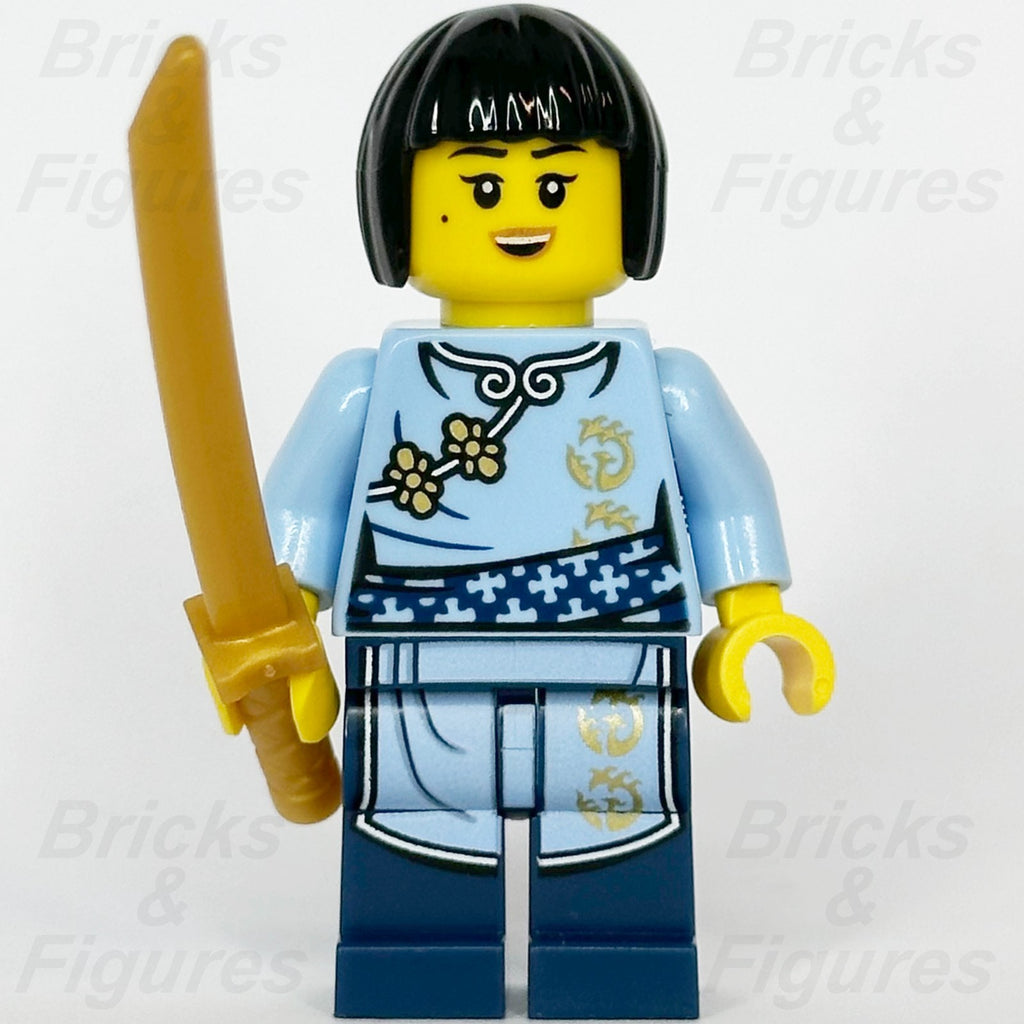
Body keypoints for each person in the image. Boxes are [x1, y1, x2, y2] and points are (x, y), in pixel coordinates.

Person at [261, 6, 832, 1018]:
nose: (520, 211)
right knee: (417, 823)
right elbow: (299, 517)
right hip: (417, 656)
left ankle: (622, 964)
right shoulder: (367, 385)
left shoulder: (663, 382)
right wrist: (285, 631)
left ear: (631, 205)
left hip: (616, 650)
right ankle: (415, 965)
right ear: (399, 211)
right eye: (479, 185)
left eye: (559, 183)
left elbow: (727, 493)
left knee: (615, 818)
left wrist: (751, 613)